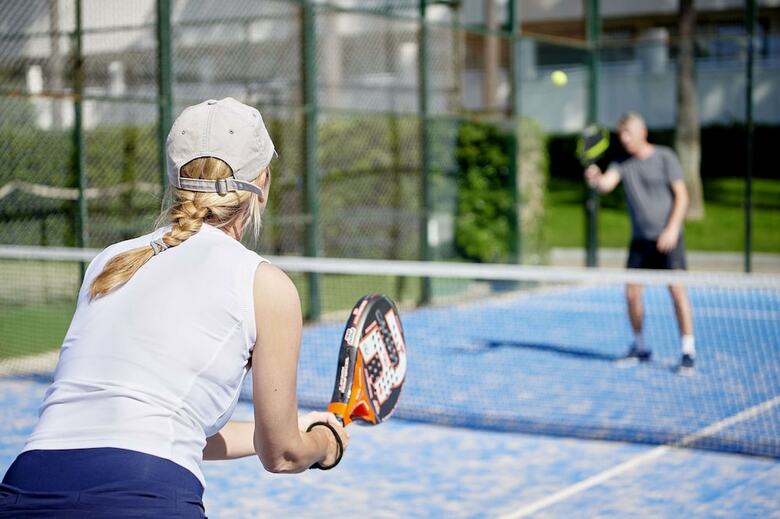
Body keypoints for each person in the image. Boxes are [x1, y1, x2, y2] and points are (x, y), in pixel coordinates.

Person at [0, 98, 348, 518]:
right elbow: (283, 456)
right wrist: (326, 444)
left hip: (26, 485)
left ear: (173, 181)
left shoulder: (107, 261)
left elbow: (156, 426)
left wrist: (295, 429)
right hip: (146, 494)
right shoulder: (264, 284)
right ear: (263, 183)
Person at [584, 111, 696, 374]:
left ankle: (688, 351)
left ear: (642, 132)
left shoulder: (665, 157)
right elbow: (606, 185)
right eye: (621, 134)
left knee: (677, 292)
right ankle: (640, 347)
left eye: (629, 133)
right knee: (632, 294)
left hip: (669, 238)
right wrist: (595, 179)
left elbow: (682, 196)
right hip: (640, 241)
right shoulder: (621, 162)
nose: (624, 139)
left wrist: (672, 229)